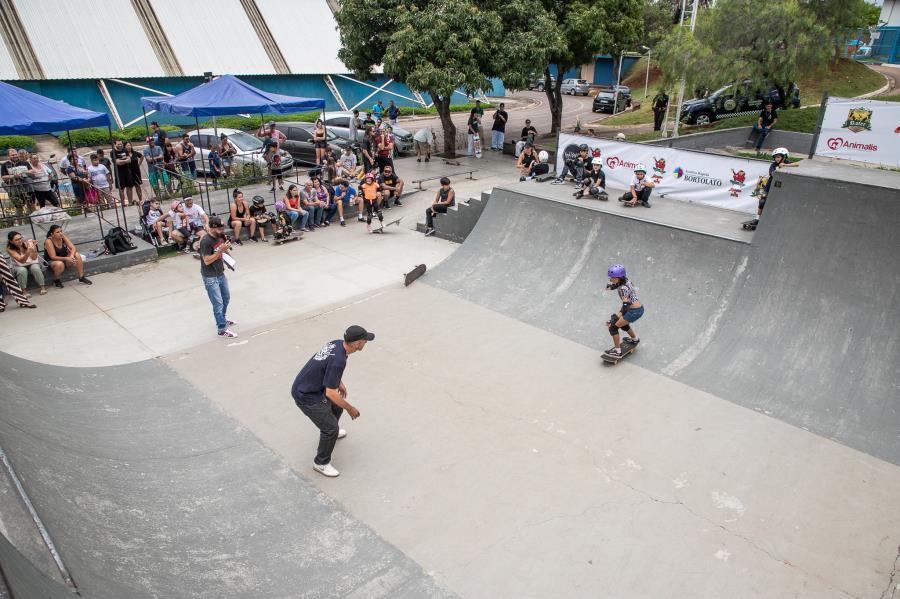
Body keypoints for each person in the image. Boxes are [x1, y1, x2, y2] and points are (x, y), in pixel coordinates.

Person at [291, 325, 373, 477]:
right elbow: (330, 393)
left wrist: (338, 381)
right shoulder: (339, 360)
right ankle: (320, 463)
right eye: (364, 341)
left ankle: (328, 430)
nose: (366, 343)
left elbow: (326, 365)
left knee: (337, 407)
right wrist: (351, 408)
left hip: (313, 385)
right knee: (331, 429)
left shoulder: (336, 344)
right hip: (306, 394)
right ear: (356, 344)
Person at [199, 216, 236, 339]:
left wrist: (229, 259)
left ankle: (223, 319)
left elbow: (223, 249)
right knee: (218, 303)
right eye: (219, 228)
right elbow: (207, 261)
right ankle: (221, 329)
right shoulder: (206, 241)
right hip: (210, 276)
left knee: (226, 297)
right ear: (212, 228)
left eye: (222, 228)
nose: (222, 230)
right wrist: (220, 251)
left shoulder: (220, 236)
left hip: (220, 273)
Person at [748, 147, 798, 228]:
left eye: (778, 157)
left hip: (782, 188)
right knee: (762, 202)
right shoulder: (773, 165)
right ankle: (757, 219)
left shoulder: (787, 163)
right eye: (775, 157)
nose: (776, 159)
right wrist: (779, 167)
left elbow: (798, 164)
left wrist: (785, 165)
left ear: (784, 157)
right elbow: (773, 174)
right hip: (769, 186)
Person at [604, 264, 643, 357]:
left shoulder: (622, 289)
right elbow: (623, 286)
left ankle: (617, 351)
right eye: (610, 277)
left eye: (613, 278)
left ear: (619, 278)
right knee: (623, 324)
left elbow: (625, 307)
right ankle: (635, 339)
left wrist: (615, 318)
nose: (611, 280)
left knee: (613, 326)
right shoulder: (626, 281)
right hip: (639, 308)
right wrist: (612, 287)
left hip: (633, 311)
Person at [7, 231, 46, 296]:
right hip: (17, 266)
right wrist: (28, 251)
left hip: (31, 263)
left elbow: (34, 258)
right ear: (11, 241)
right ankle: (24, 291)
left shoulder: (27, 243)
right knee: (22, 270)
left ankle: (42, 287)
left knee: (35, 267)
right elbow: (21, 261)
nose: (20, 241)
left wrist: (33, 248)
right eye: (16, 240)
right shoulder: (9, 249)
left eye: (20, 238)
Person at [2, 149, 30, 216]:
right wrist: (14, 176)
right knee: (19, 206)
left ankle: (31, 221)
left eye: (15, 154)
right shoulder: (5, 165)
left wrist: (23, 173)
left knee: (30, 204)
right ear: (8, 156)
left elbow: (32, 171)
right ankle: (20, 224)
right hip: (14, 189)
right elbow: (3, 177)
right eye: (12, 155)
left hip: (27, 187)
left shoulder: (24, 162)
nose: (15, 156)